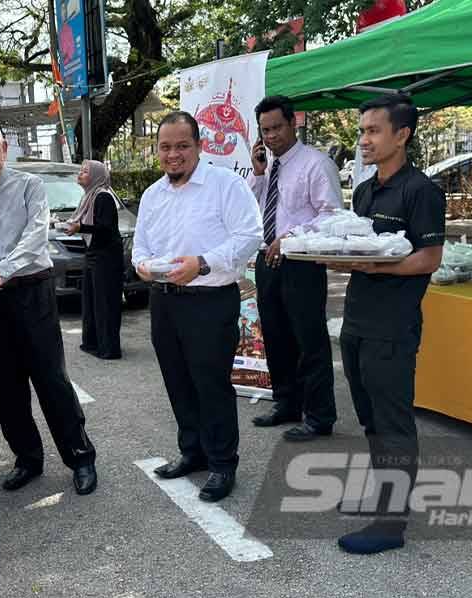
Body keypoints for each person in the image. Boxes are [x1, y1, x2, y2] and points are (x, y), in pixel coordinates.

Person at [0, 119, 98, 495]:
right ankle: (27, 458)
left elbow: (35, 236)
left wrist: (2, 269)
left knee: (51, 379)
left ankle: (80, 457)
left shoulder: (30, 186)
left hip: (31, 289)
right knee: (5, 385)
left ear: (5, 149)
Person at [328, 93, 445, 554]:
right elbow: (360, 249)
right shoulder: (364, 190)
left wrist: (380, 270)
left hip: (392, 326)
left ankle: (391, 525)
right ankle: (383, 497)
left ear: (402, 135)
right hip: (356, 321)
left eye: (373, 131)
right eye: (361, 132)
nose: (364, 140)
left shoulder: (421, 191)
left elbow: (428, 258)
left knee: (393, 422)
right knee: (370, 419)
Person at [132, 111, 263, 503]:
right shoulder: (153, 195)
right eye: (165, 147)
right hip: (165, 301)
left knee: (211, 385)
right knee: (178, 381)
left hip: (209, 300)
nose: (173, 155)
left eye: (182, 146)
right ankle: (193, 452)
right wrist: (140, 265)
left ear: (199, 146)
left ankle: (223, 464)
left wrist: (202, 263)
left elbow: (249, 236)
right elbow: (141, 245)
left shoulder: (225, 186)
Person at [249, 96, 341, 442]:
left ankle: (319, 416)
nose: (271, 136)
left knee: (309, 340)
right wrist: (258, 173)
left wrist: (289, 238)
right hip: (267, 261)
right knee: (275, 336)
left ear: (293, 124)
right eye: (265, 130)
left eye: (276, 128)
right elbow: (255, 210)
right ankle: (286, 402)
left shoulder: (316, 164)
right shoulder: (270, 167)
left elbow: (331, 215)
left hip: (301, 262)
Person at [65, 159, 123, 360]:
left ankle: (108, 347)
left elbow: (106, 229)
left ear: (97, 176)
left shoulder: (103, 197)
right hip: (93, 253)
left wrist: (80, 228)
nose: (80, 174)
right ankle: (93, 342)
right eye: (80, 170)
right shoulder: (89, 196)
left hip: (106, 256)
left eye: (85, 171)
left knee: (104, 302)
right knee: (90, 300)